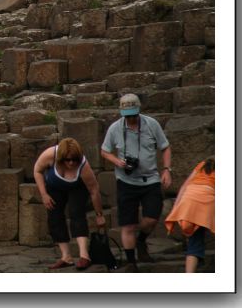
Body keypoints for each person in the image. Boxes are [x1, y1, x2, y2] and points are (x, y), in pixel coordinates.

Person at [101, 92, 173, 272]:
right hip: (126, 180)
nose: (131, 119)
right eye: (128, 116)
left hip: (150, 179)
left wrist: (166, 170)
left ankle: (140, 240)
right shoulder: (115, 128)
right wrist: (116, 161)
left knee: (151, 218)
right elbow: (104, 151)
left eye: (134, 115)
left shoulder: (151, 124)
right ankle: (131, 262)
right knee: (128, 224)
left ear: (139, 111)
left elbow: (165, 147)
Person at [33, 137, 106, 270]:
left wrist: (99, 214)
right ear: (61, 158)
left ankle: (84, 255)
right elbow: (37, 171)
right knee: (54, 216)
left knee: (76, 213)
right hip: (54, 186)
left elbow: (94, 190)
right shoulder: (50, 155)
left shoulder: (83, 166)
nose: (71, 163)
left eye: (74, 160)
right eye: (68, 160)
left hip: (77, 187)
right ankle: (66, 256)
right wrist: (44, 194)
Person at [165, 156, 215, 273]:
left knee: (194, 238)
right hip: (207, 200)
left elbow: (184, 186)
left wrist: (175, 208)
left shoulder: (202, 164)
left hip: (189, 199)